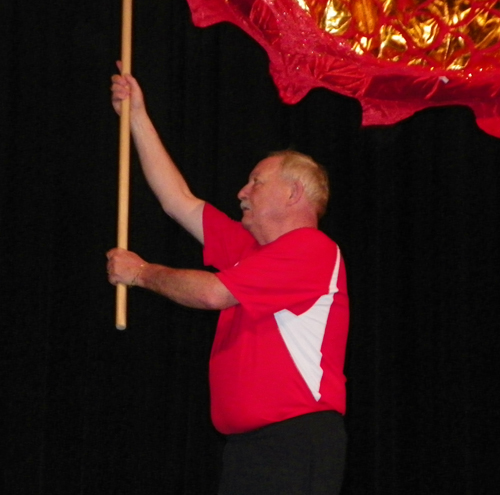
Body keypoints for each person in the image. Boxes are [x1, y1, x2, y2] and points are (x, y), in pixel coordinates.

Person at [106, 65, 350, 495]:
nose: (241, 191)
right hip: (251, 448)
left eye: (256, 182)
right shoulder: (250, 252)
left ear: (294, 194)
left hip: (294, 441)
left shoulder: (312, 249)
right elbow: (176, 201)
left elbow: (213, 293)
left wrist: (142, 273)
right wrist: (138, 115)